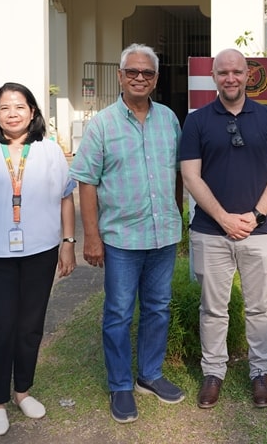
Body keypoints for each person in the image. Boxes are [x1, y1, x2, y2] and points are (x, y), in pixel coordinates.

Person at [0, 82, 77, 437]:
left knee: (30, 325)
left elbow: (67, 197)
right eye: (4, 107)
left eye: (19, 106)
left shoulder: (50, 151)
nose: (12, 114)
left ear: (33, 112)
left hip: (40, 251)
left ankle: (23, 390)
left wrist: (68, 242)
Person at [70, 44, 185, 423]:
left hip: (162, 235)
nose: (140, 78)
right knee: (118, 313)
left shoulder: (169, 119)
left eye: (147, 73)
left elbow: (177, 175)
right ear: (120, 76)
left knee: (158, 308)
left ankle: (149, 375)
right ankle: (120, 385)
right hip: (121, 239)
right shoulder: (102, 123)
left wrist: (176, 214)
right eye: (132, 72)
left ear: (156, 78)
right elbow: (86, 182)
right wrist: (91, 236)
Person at [179, 48, 267, 409]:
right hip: (211, 232)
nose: (230, 78)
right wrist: (224, 217)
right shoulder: (196, 122)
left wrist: (255, 215)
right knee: (213, 307)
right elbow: (190, 175)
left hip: (260, 230)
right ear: (213, 76)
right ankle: (213, 372)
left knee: (260, 307)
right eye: (223, 72)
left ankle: (260, 372)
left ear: (248, 75)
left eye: (237, 72)